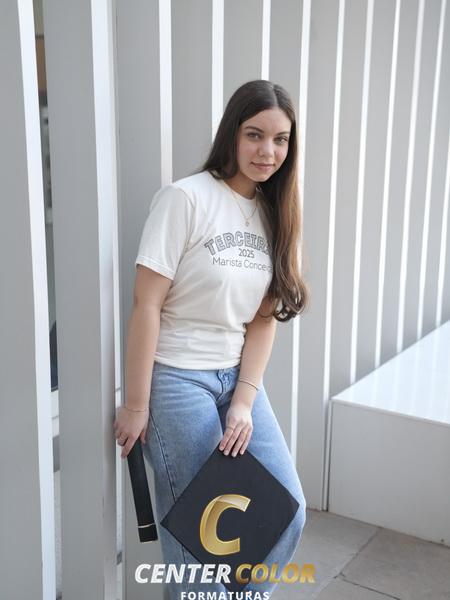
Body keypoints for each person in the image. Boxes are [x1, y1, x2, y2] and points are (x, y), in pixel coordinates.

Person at [113, 79, 310, 599]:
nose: (267, 151)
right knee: (199, 544)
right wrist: (137, 405)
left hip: (235, 379)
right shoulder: (185, 198)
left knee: (286, 512)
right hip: (177, 380)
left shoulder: (277, 212)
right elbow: (146, 304)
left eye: (281, 140)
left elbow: (263, 319)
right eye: (255, 135)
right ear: (232, 135)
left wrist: (244, 401)